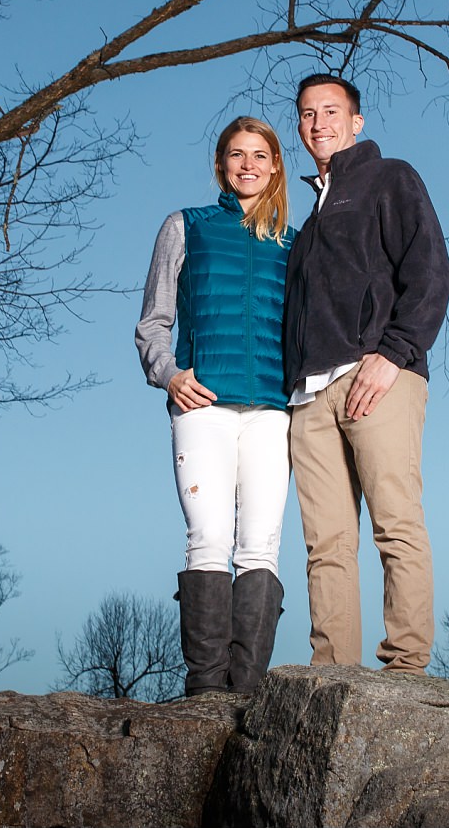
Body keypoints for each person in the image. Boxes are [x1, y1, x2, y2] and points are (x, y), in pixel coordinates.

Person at [283, 74, 449, 673]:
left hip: (376, 376)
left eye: (331, 111)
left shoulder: (390, 179)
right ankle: (332, 675)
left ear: (357, 121)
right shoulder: (306, 227)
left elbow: (430, 270)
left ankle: (405, 670)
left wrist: (395, 352)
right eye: (306, 114)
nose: (319, 122)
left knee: (395, 523)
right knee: (325, 546)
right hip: (309, 398)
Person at [135, 116, 294, 696]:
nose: (247, 164)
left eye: (259, 155)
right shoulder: (186, 227)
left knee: (261, 544)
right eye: (236, 154)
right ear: (221, 165)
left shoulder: (293, 243)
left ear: (275, 165)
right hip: (203, 408)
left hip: (273, 410)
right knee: (208, 539)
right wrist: (169, 374)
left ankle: (245, 694)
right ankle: (205, 695)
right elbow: (154, 320)